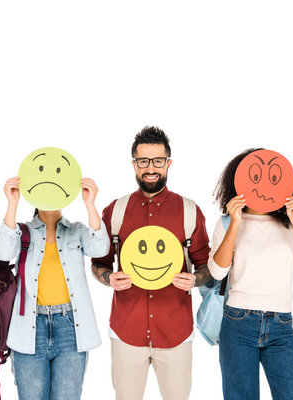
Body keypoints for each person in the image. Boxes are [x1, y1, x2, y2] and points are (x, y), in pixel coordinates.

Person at [91, 126, 211, 400]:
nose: (150, 168)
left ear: (168, 163)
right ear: (134, 164)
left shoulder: (189, 211)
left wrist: (195, 279)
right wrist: (108, 277)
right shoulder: (116, 211)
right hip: (126, 331)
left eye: (158, 161)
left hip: (176, 332)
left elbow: (205, 266)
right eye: (143, 161)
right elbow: (99, 261)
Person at [208, 148, 293, 400]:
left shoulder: (289, 224)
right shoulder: (226, 223)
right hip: (238, 323)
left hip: (281, 325)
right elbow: (217, 271)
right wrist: (235, 223)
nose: (264, 185)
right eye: (254, 176)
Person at [0, 175, 109, 400]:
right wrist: (12, 204)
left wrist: (90, 204)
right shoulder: (23, 231)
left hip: (70, 328)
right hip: (29, 328)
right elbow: (5, 253)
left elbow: (100, 247)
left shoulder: (76, 230)